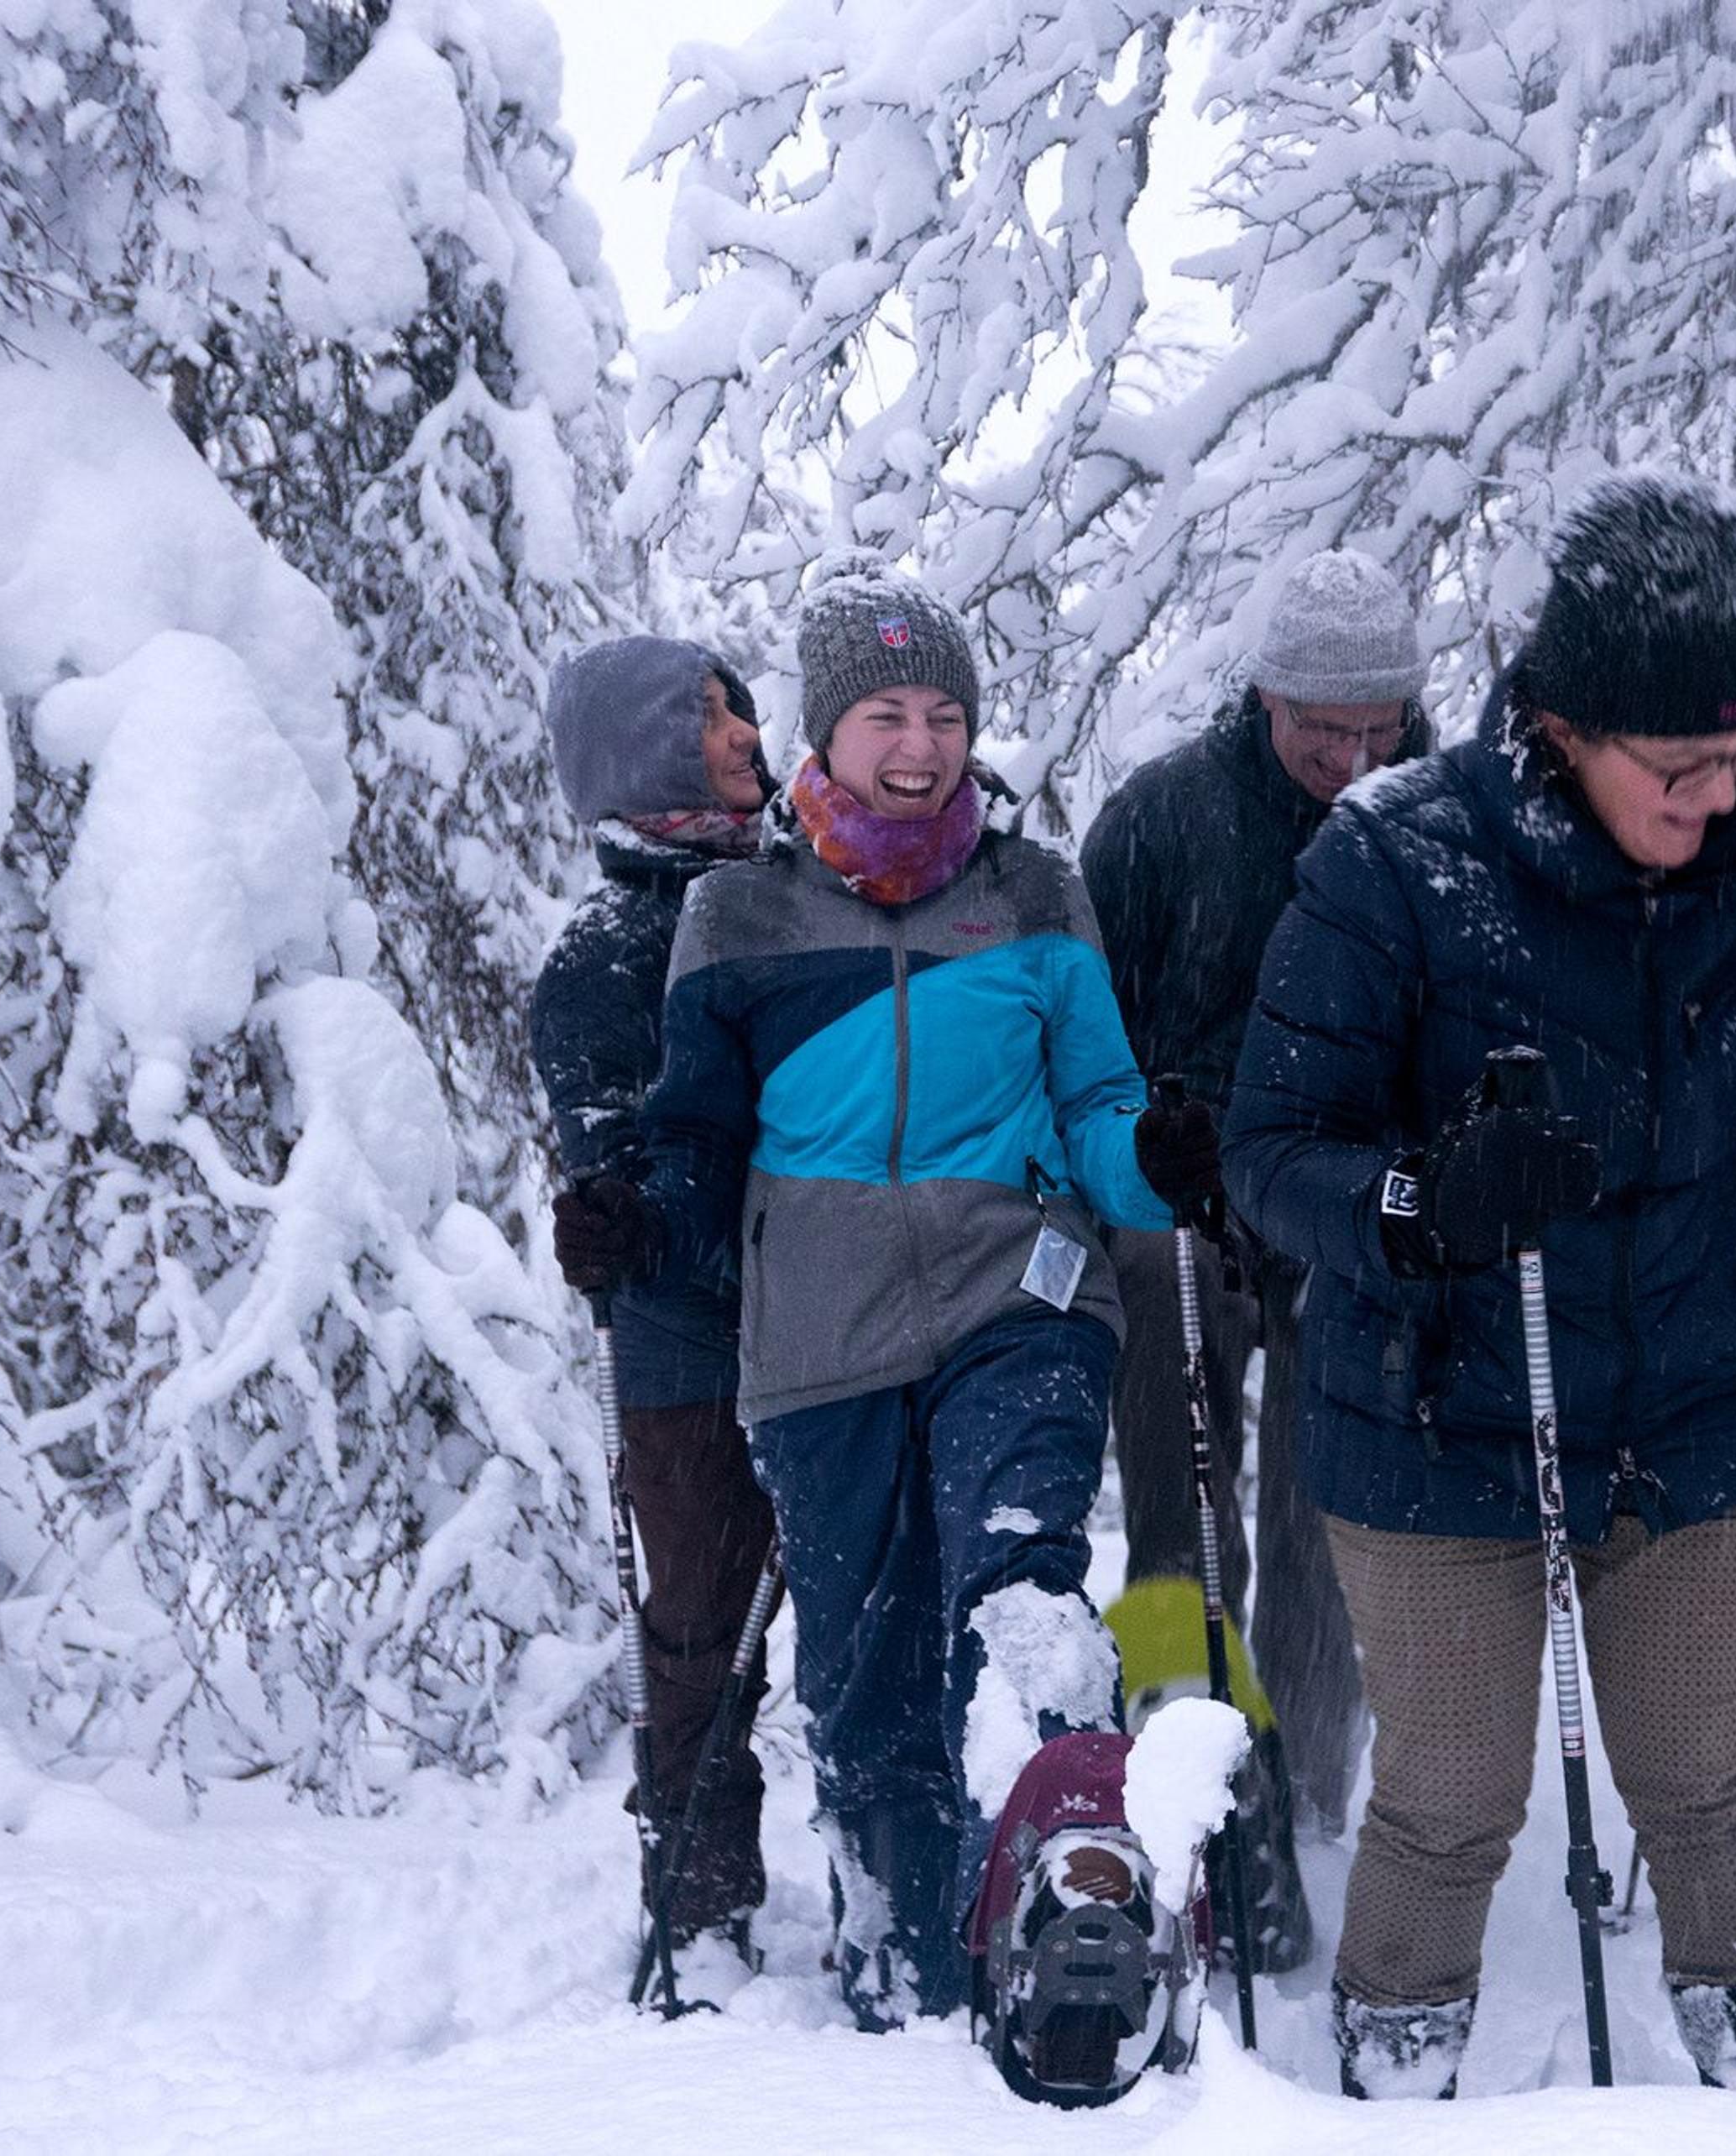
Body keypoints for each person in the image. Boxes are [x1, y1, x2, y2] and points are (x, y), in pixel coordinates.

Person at [1224, 472, 1736, 2101]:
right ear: (1562, 728)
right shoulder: (1398, 864)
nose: (1712, 801)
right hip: (1444, 1415)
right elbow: (1270, 1147)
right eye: (1675, 770)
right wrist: (1419, 1198)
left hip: (1693, 1401)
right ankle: (1394, 2090)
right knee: (1451, 1795)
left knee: (1707, 1781)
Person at [548, 557, 1228, 2060]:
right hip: (820, 1336)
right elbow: (696, 1139)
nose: (918, 744)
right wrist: (633, 1217)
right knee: (863, 1679)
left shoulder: (1037, 893)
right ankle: (910, 1965)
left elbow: (1101, 1103)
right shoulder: (736, 913)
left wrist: (1153, 1161)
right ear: (826, 735)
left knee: (1023, 1569)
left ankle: (1083, 1876)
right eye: (884, 716)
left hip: (1018, 1295)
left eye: (942, 713)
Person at [1080, 550, 1431, 1911]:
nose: (1350, 759)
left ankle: (1312, 1779)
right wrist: (1141, 1141)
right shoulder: (1168, 819)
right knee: (1180, 1502)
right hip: (1187, 1202)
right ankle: (1197, 1765)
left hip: (1352, 1206)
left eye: (1376, 727)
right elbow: (1083, 1026)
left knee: (1327, 1510)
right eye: (1321, 728)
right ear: (1267, 696)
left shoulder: (1428, 818)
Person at [530, 636, 782, 1965]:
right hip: (690, 1351)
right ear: (644, 754)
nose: (746, 730)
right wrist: (628, 1227)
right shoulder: (606, 957)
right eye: (708, 716)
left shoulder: (800, 888)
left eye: (739, 704)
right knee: (699, 1629)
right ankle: (698, 1893)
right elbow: (627, 1179)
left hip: (839, 1309)